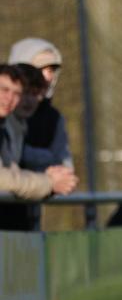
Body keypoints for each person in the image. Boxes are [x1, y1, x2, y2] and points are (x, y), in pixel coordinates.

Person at [0, 64, 76, 226]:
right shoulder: (8, 126)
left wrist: (49, 177)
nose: (9, 99)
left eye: (17, 93)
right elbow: (3, 179)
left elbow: (10, 170)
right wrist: (48, 183)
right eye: (4, 90)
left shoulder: (11, 126)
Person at [8, 38, 74, 171]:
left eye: (51, 70)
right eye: (41, 68)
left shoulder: (53, 118)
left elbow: (64, 163)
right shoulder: (5, 113)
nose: (47, 77)